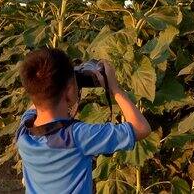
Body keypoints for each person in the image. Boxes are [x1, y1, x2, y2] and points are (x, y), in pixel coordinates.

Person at [16, 48, 152, 194]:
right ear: (68, 90)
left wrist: (68, 80)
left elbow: (38, 98)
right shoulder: (78, 136)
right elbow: (141, 128)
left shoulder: (23, 130)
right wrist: (114, 89)